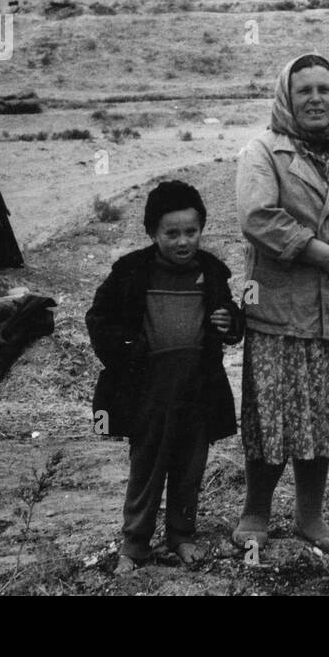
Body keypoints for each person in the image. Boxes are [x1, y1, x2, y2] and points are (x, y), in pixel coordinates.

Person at [232, 54, 329, 555]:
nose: (316, 99)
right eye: (305, 91)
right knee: (274, 415)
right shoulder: (263, 151)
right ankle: (255, 511)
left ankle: (310, 517)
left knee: (323, 417)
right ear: (287, 98)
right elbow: (257, 217)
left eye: (325, 90)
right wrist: (319, 253)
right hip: (281, 311)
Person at [86, 180, 243, 575]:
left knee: (190, 468)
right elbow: (98, 319)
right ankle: (134, 543)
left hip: (197, 391)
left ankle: (181, 536)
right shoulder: (132, 272)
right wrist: (125, 355)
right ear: (152, 233)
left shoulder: (211, 272)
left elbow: (231, 320)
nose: (182, 241)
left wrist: (231, 322)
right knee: (147, 467)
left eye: (191, 231)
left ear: (201, 229)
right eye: (171, 233)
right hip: (148, 393)